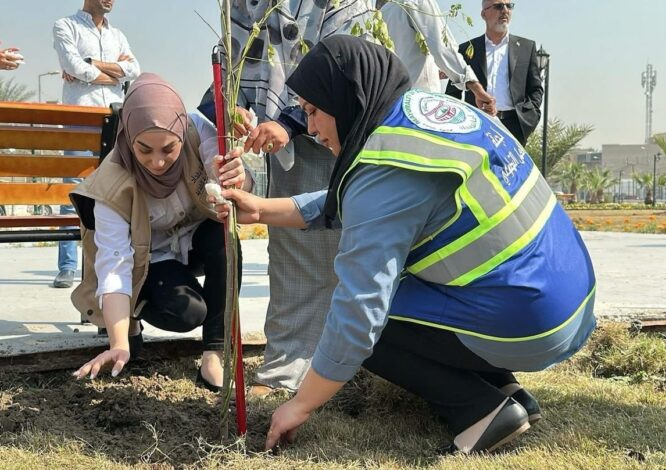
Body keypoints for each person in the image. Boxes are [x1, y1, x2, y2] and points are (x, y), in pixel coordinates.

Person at [212, 36, 597, 454]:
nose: (311, 128)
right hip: (569, 303)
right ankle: (505, 390)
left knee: (368, 321)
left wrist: (300, 404)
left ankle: (482, 410)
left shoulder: (386, 171)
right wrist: (262, 209)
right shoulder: (421, 115)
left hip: (531, 323)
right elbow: (355, 198)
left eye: (314, 111)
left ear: (349, 98)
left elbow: (358, 317)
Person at [199, 0, 373, 398]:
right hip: (286, 145)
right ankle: (287, 367)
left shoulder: (342, 4)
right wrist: (235, 107)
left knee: (350, 252)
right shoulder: (243, 4)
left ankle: (343, 367)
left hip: (339, 129)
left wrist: (292, 121)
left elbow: (345, 68)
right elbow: (230, 66)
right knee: (295, 255)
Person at [69, 73, 252, 391]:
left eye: (169, 149)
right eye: (144, 150)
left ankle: (214, 354)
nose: (157, 162)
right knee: (187, 313)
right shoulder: (111, 182)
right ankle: (134, 313)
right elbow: (114, 266)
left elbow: (236, 189)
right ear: (127, 136)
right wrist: (118, 341)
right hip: (149, 257)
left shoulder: (197, 130)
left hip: (194, 238)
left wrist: (238, 178)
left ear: (182, 132)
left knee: (225, 237)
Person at [52, 0, 140, 289]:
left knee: (112, 195)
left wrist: (91, 65)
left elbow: (134, 70)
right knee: (72, 193)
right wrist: (112, 72)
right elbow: (72, 65)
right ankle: (67, 267)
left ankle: (105, 264)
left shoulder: (118, 35)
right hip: (80, 122)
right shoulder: (66, 26)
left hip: (113, 121)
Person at [445, 0, 543, 146]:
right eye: (498, 6)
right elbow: (453, 92)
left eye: (509, 6)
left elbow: (535, 89)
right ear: (484, 14)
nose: (505, 10)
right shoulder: (468, 49)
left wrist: (529, 119)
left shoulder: (526, 48)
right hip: (476, 125)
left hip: (514, 127)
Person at [376, 0, 494, 109]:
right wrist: (476, 88)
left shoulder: (378, 11)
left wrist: (432, 70)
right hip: (421, 105)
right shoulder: (417, 2)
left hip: (389, 106)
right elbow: (442, 48)